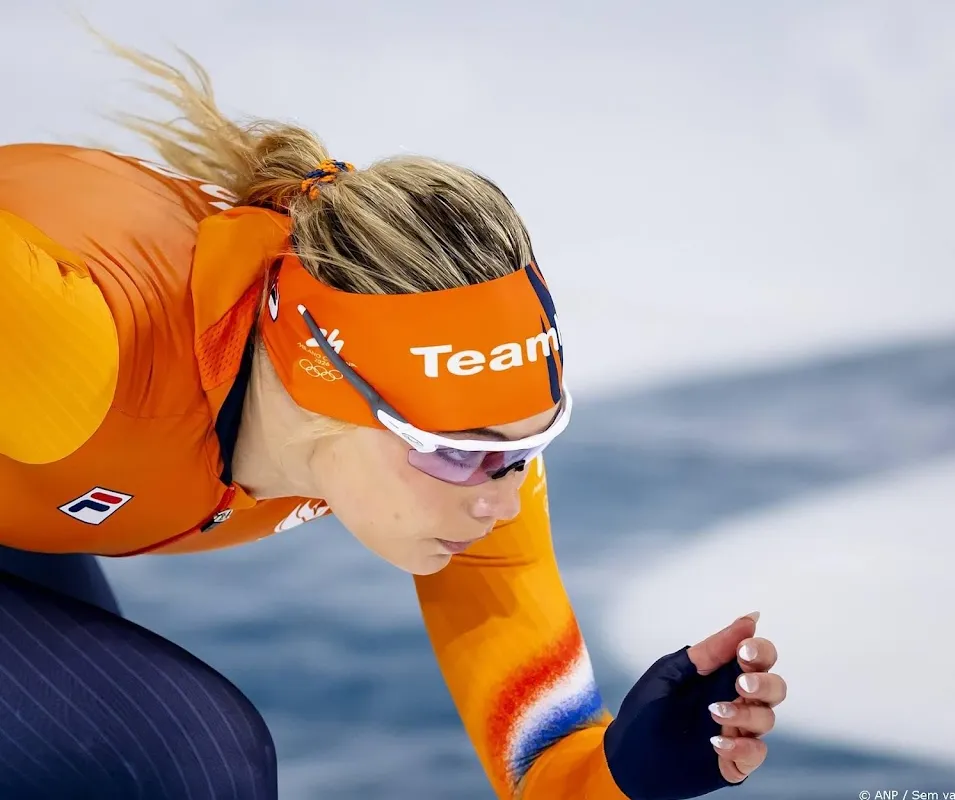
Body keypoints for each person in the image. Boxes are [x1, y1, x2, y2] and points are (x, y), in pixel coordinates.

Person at [0, 36, 788, 800]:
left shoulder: (467, 439)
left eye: (524, 450)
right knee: (187, 758)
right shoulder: (81, 358)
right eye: (457, 453)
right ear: (322, 383)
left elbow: (548, 777)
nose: (501, 502)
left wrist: (623, 778)